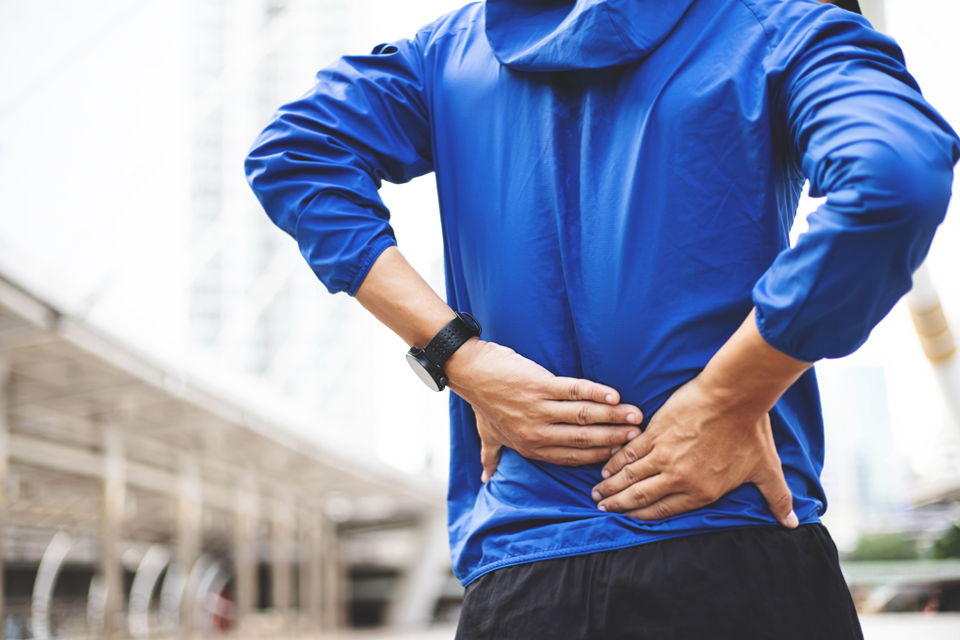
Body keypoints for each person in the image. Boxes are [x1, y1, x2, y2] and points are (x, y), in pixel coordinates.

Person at [245, 0, 959, 637]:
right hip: (735, 552)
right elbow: (894, 177)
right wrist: (730, 397)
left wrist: (458, 355)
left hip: (520, 585)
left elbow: (295, 152)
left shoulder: (447, 53)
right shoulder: (777, 26)